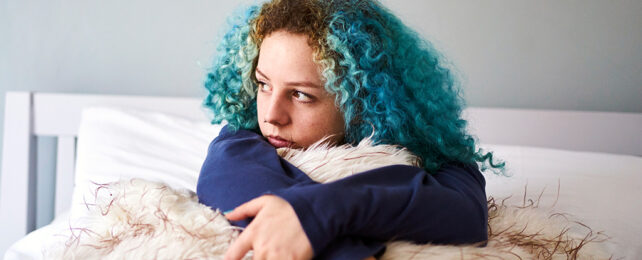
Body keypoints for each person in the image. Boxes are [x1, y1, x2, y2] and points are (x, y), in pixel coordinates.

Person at [197, 0, 504, 259]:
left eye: (301, 94)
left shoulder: (430, 151)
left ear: (359, 102)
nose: (272, 116)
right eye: (264, 84)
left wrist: (318, 213)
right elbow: (223, 180)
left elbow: (465, 217)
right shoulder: (243, 136)